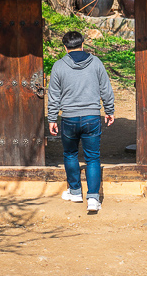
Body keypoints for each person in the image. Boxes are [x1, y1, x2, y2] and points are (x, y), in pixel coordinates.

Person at [47, 30, 114, 212]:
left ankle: (75, 191)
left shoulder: (59, 66)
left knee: (70, 154)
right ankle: (93, 198)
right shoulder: (96, 63)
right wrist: (109, 110)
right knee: (93, 157)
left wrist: (52, 118)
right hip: (92, 116)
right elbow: (106, 89)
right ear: (83, 44)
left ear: (65, 47)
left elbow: (53, 96)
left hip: (69, 117)